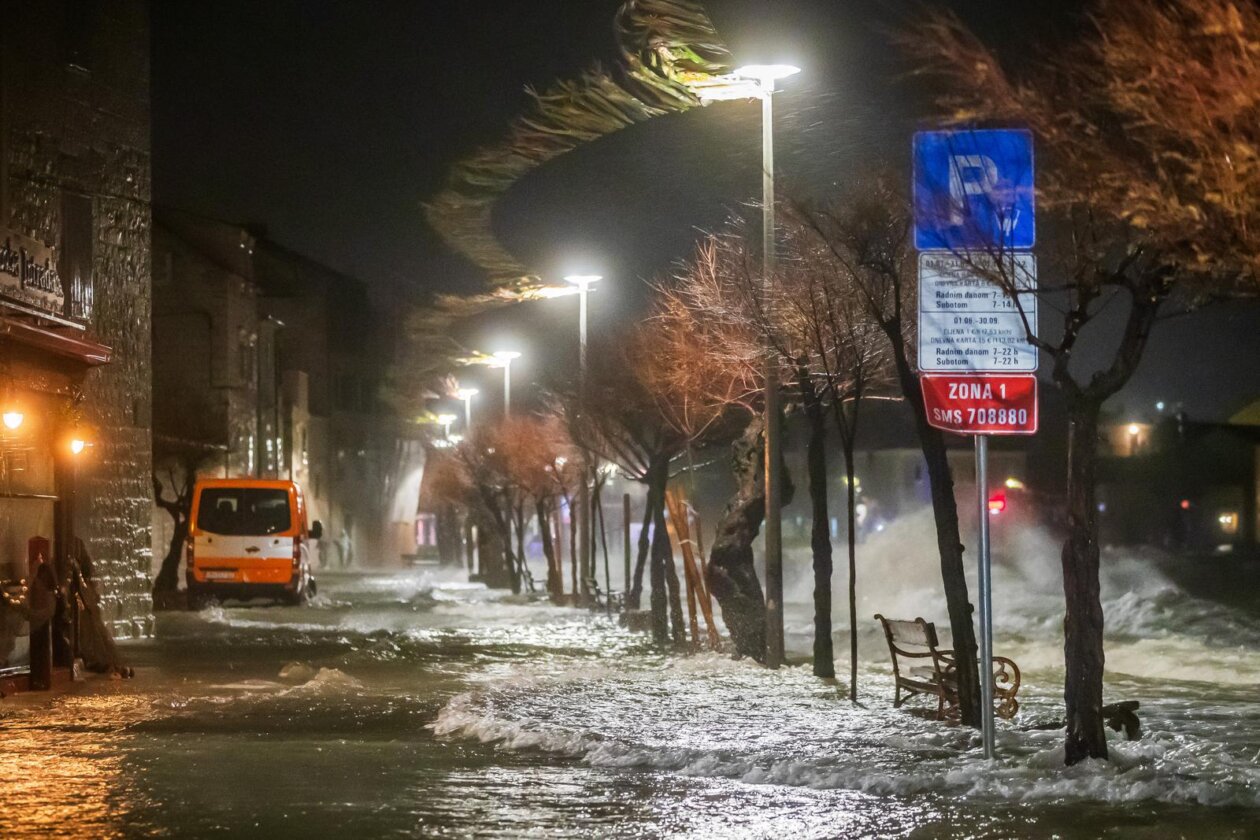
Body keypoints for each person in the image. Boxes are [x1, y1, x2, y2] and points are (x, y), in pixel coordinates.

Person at [69, 537, 133, 679]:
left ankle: (110, 664)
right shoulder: (76, 545)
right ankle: (111, 664)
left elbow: (87, 571)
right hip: (84, 600)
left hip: (83, 600)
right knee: (95, 633)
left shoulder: (75, 546)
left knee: (94, 633)